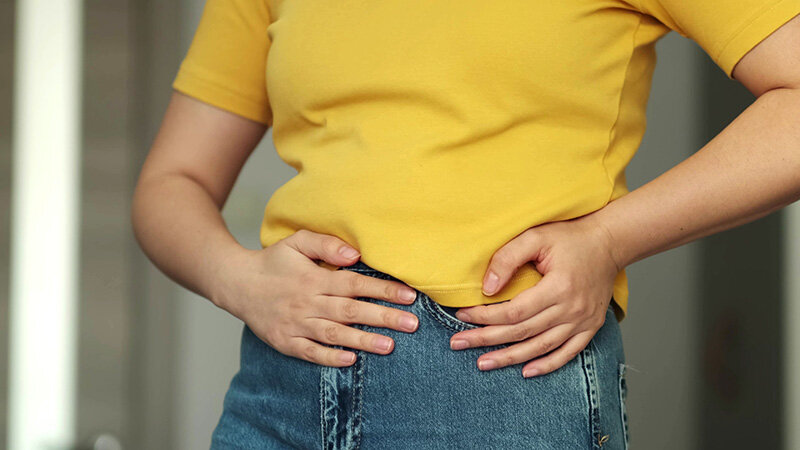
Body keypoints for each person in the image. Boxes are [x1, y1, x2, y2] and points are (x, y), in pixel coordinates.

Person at [131, 0, 800, 447]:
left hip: (502, 378)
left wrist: (608, 239)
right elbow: (171, 182)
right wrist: (239, 279)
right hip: (280, 386)